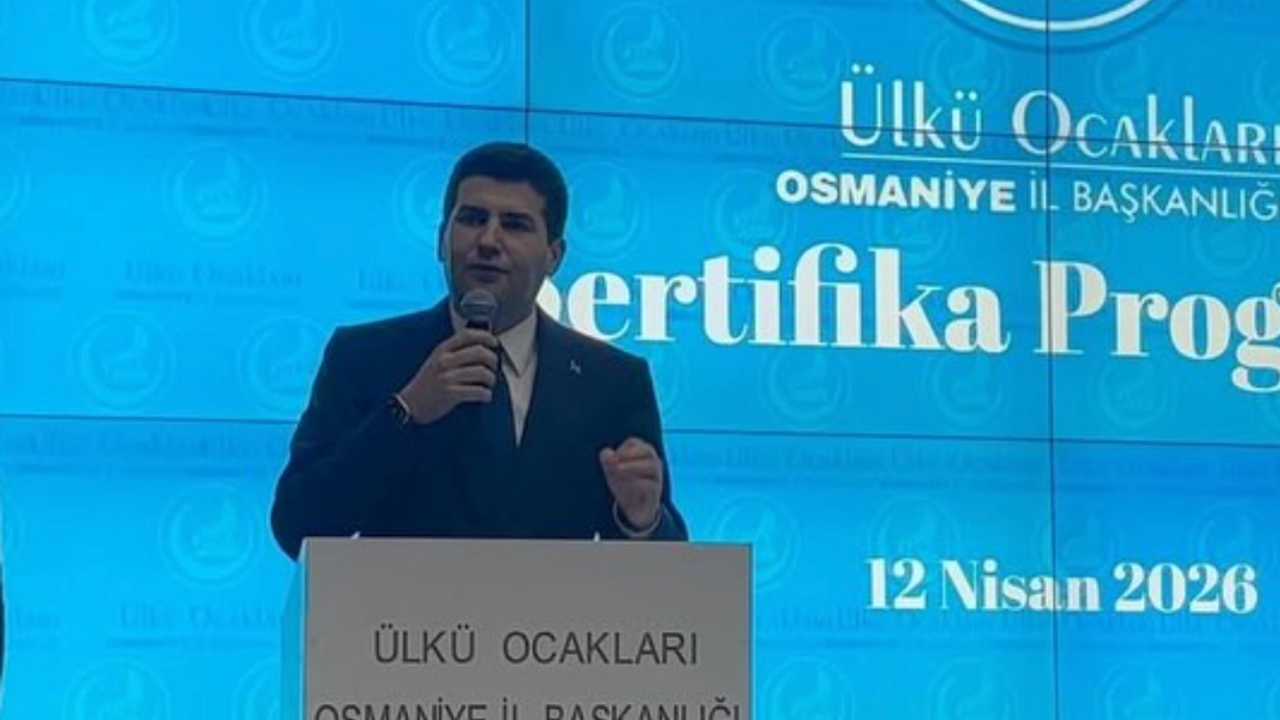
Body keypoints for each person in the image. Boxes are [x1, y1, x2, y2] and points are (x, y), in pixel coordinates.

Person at [271, 142, 687, 559]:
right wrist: (406, 412)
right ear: (441, 241)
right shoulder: (364, 357)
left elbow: (667, 562)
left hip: (551, 604)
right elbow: (297, 525)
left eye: (515, 225)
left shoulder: (612, 381)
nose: (488, 240)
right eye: (472, 219)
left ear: (554, 256)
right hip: (401, 603)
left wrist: (640, 519)